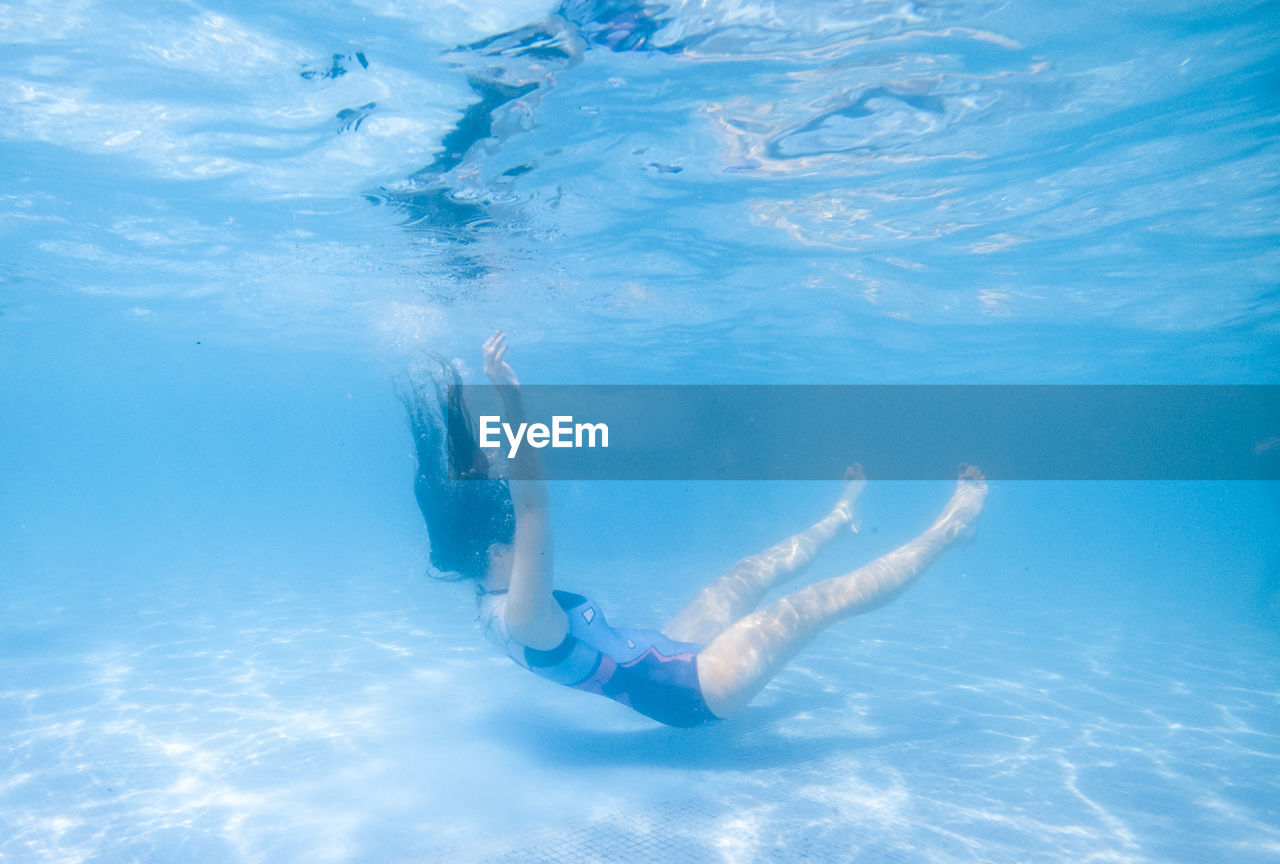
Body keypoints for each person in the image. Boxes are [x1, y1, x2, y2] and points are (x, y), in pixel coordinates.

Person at [401, 331, 988, 727]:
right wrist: (511, 402)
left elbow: (509, 511)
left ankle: (841, 518)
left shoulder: (491, 595)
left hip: (667, 654)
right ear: (498, 547)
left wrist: (472, 456)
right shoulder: (521, 614)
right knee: (816, 602)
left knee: (741, 578)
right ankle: (949, 532)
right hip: (704, 688)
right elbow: (533, 507)